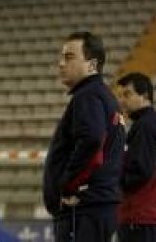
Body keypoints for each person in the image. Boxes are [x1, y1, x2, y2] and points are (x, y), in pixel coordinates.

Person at [42, 31, 126, 242]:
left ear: (92, 65)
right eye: (61, 57)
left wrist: (67, 184)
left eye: (69, 57)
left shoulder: (87, 95)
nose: (61, 63)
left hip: (83, 209)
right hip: (96, 207)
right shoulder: (103, 95)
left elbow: (92, 140)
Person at [116, 73, 156, 242]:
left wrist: (112, 180)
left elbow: (139, 172)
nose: (122, 101)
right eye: (121, 95)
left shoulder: (145, 126)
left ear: (145, 95)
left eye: (128, 94)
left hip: (140, 217)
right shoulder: (146, 123)